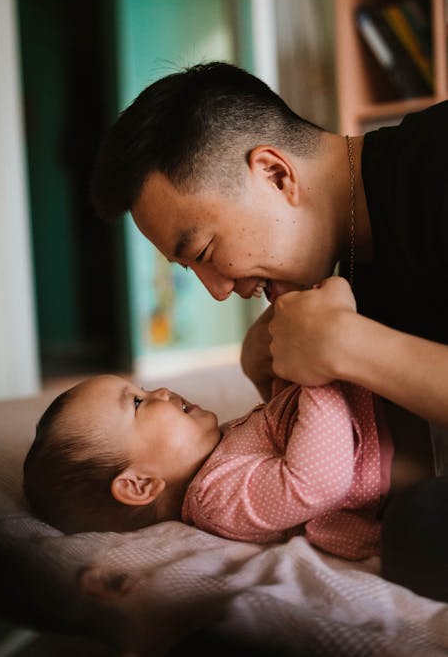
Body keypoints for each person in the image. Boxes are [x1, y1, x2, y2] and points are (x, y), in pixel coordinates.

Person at [90, 61, 448, 596]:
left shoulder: (436, 166)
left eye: (206, 252)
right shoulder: (350, 271)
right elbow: (382, 457)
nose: (215, 289)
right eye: (191, 270)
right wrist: (281, 385)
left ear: (275, 174)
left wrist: (350, 347)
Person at [23, 373, 394, 561]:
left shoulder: (213, 453)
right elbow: (316, 481)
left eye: (145, 388)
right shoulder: (216, 499)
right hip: (399, 459)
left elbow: (283, 430)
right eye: (138, 403)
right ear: (139, 485)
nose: (162, 392)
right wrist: (317, 374)